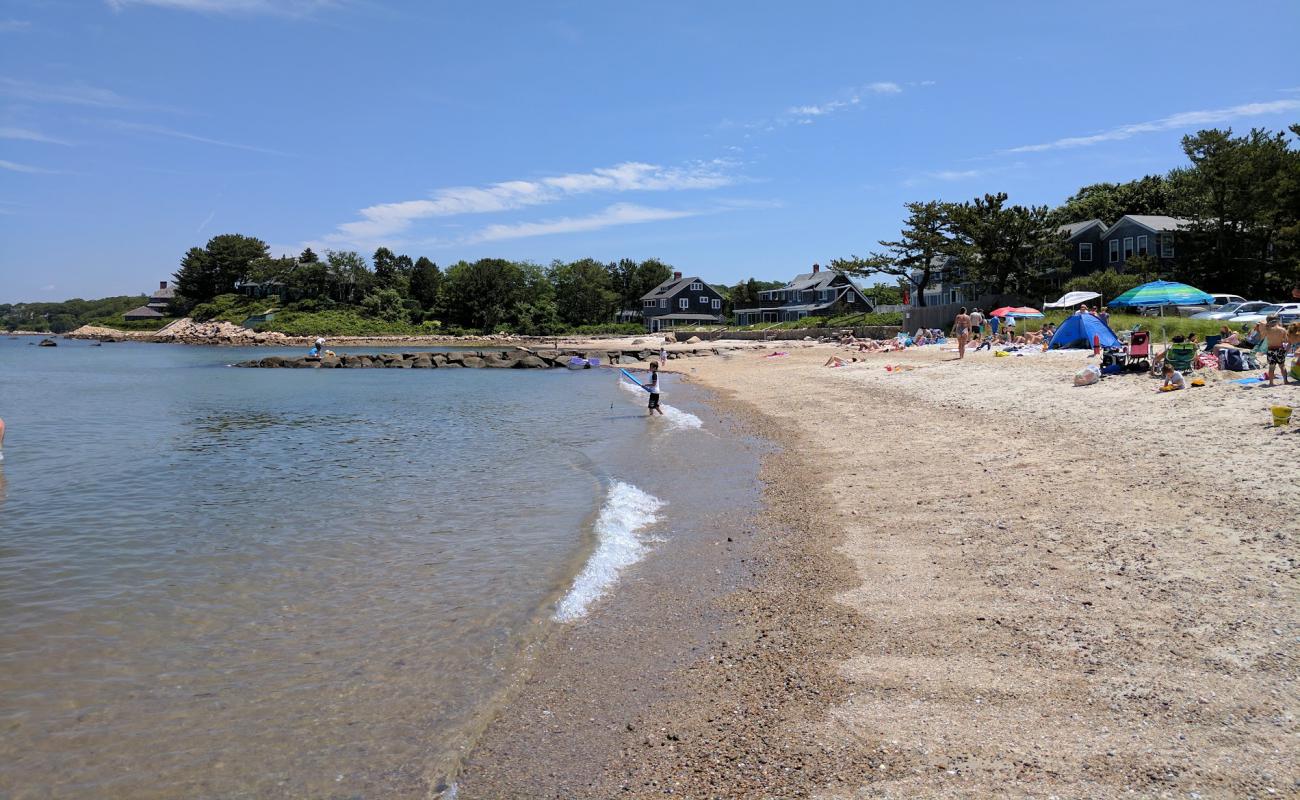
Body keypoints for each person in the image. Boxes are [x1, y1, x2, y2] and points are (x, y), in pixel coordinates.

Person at [1263, 314, 1289, 386]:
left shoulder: (1267, 330)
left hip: (1271, 349)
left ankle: (1271, 382)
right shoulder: (1282, 330)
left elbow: (1262, 334)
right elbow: (1286, 341)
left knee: (1271, 367)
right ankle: (1285, 381)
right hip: (1280, 349)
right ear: (1277, 320)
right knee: (1282, 366)